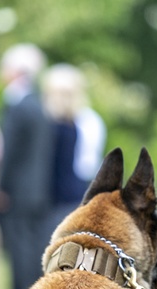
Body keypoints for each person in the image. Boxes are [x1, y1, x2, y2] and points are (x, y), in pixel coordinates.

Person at [0, 43, 53, 289]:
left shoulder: (17, 106)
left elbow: (10, 152)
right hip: (40, 184)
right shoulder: (42, 104)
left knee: (19, 239)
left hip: (19, 185)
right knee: (33, 239)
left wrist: (0, 185)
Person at [42, 64, 106, 239]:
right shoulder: (90, 120)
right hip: (76, 191)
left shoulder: (53, 124)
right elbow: (90, 163)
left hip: (60, 196)